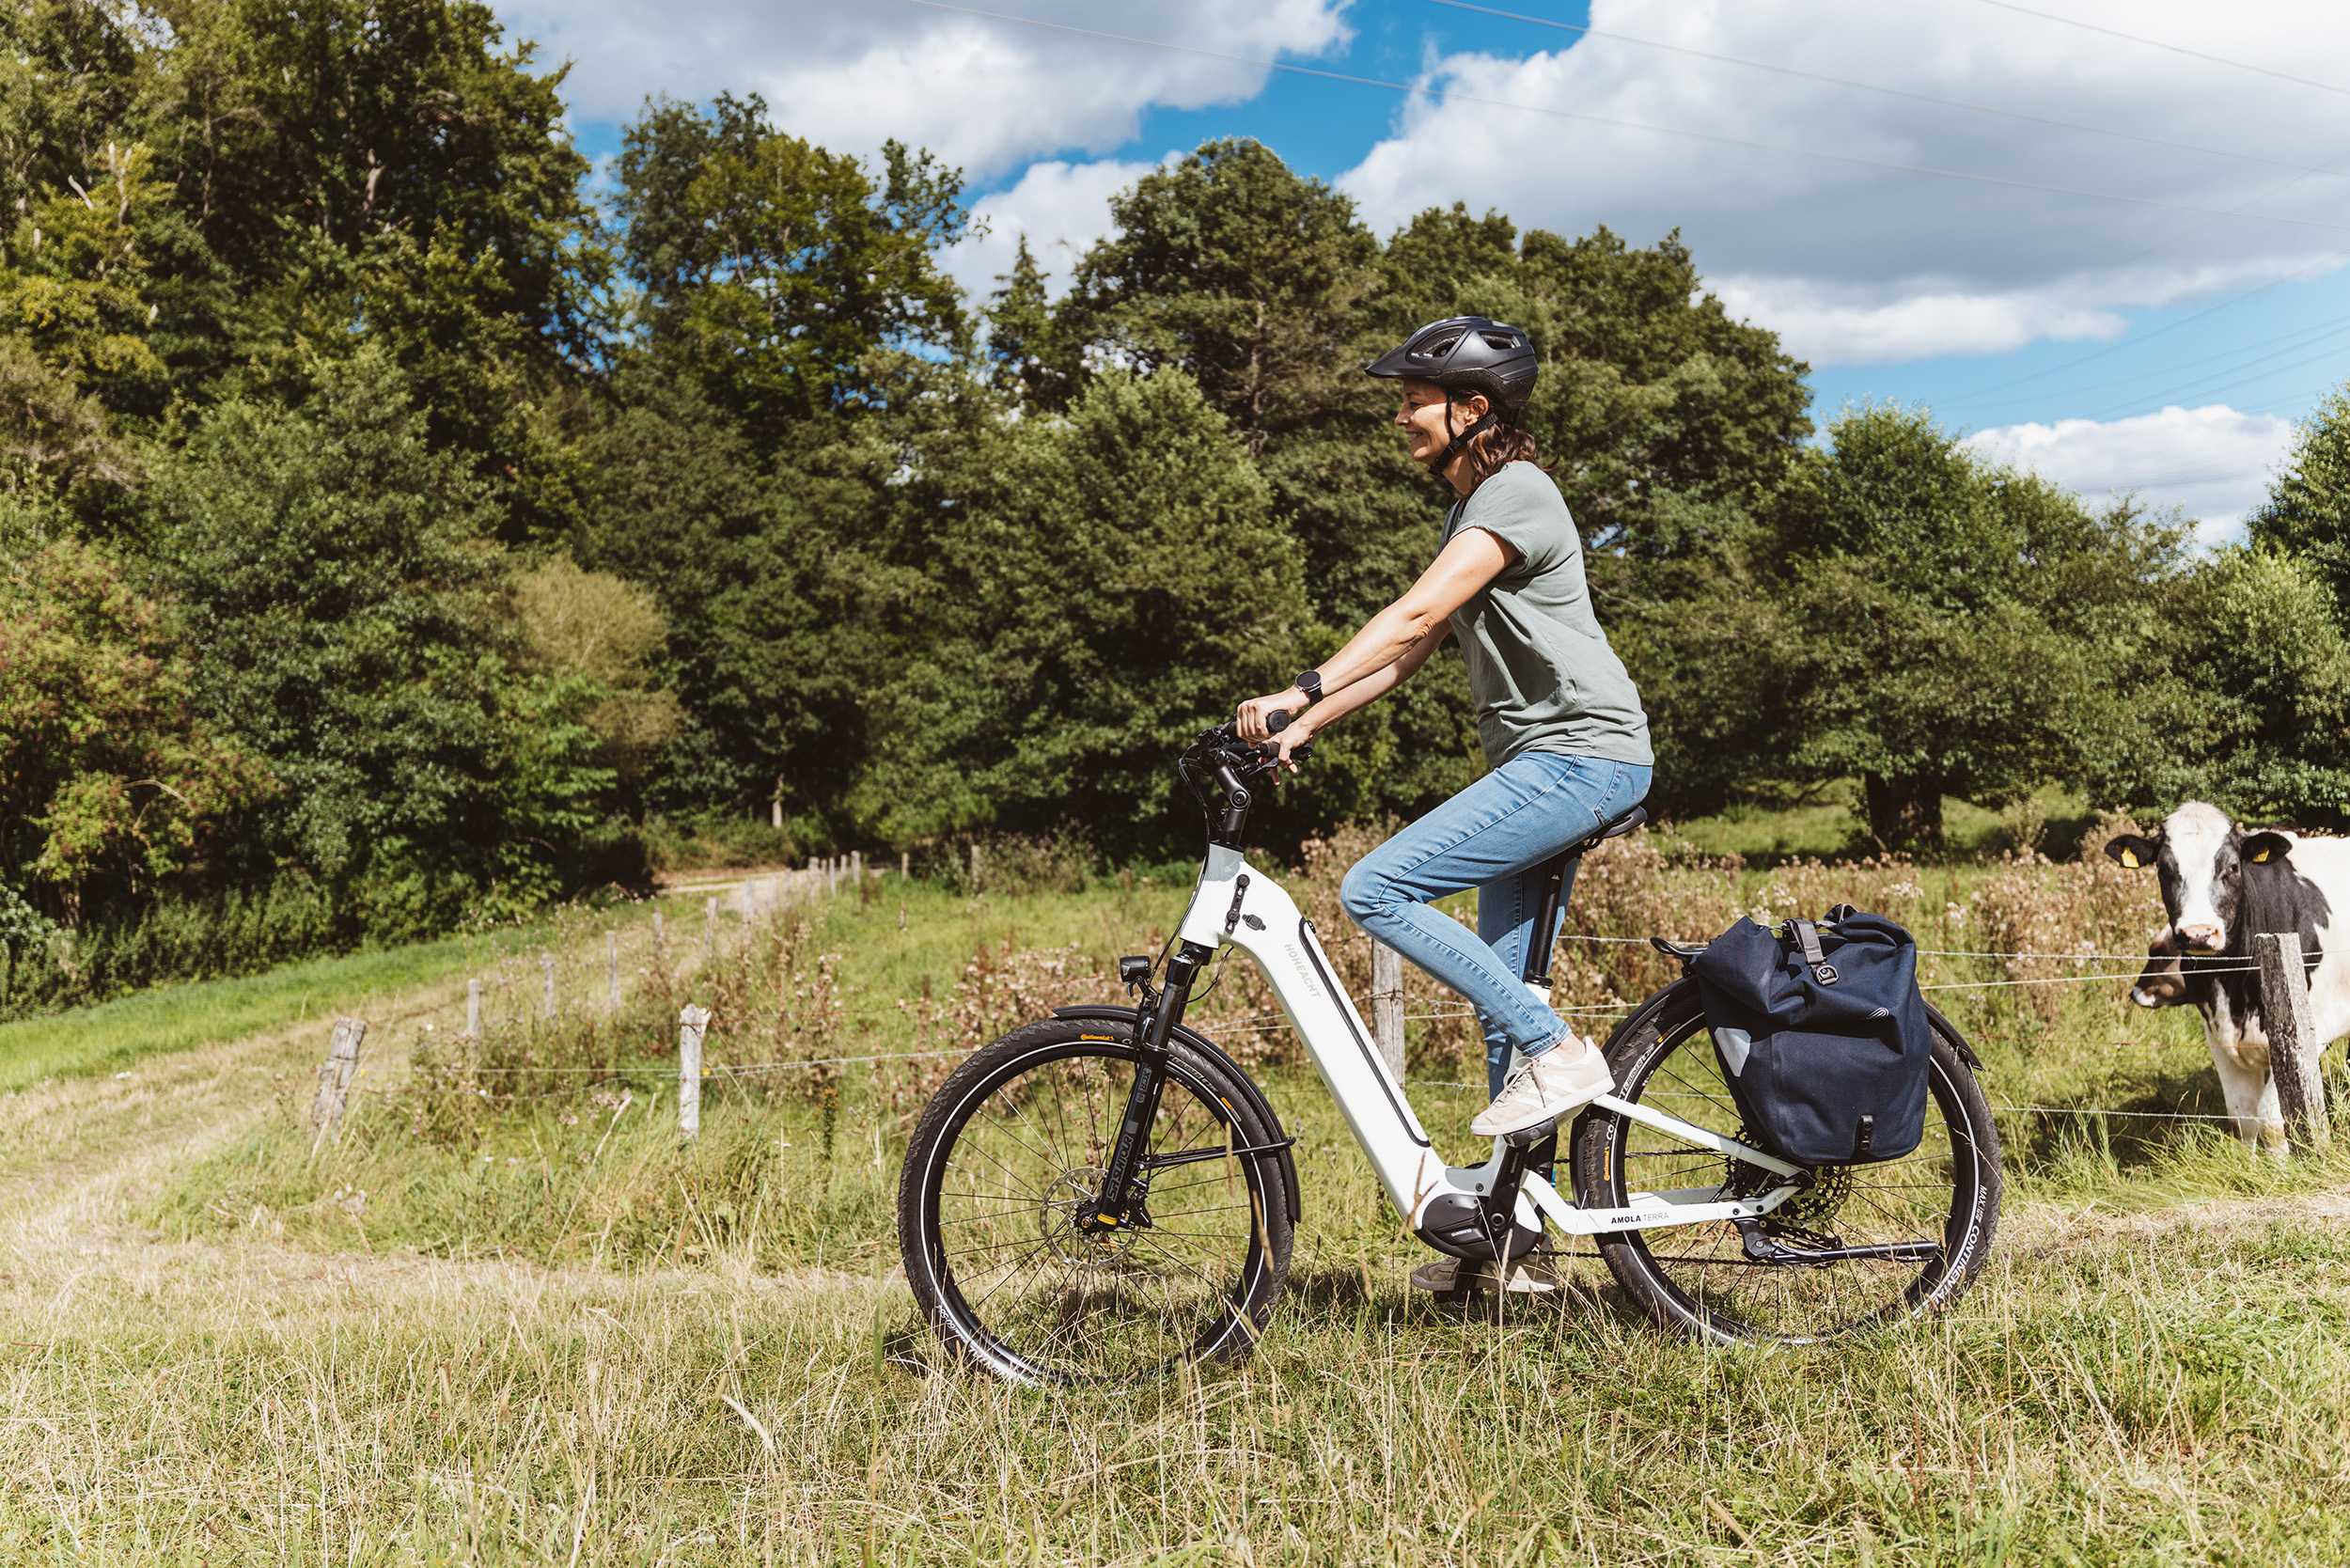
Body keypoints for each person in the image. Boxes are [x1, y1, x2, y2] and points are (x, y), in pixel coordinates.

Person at [1233, 316, 1654, 1294]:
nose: (1401, 417)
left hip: (1577, 758)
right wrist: (1308, 724)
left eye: (1414, 400)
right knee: (1500, 1009)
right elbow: (1411, 651)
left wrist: (1297, 686)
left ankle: (1562, 1052)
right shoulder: (1474, 507)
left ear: (1473, 410)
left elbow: (1414, 615)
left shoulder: (1518, 494)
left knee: (1376, 889)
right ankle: (1511, 1243)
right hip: (1549, 763)